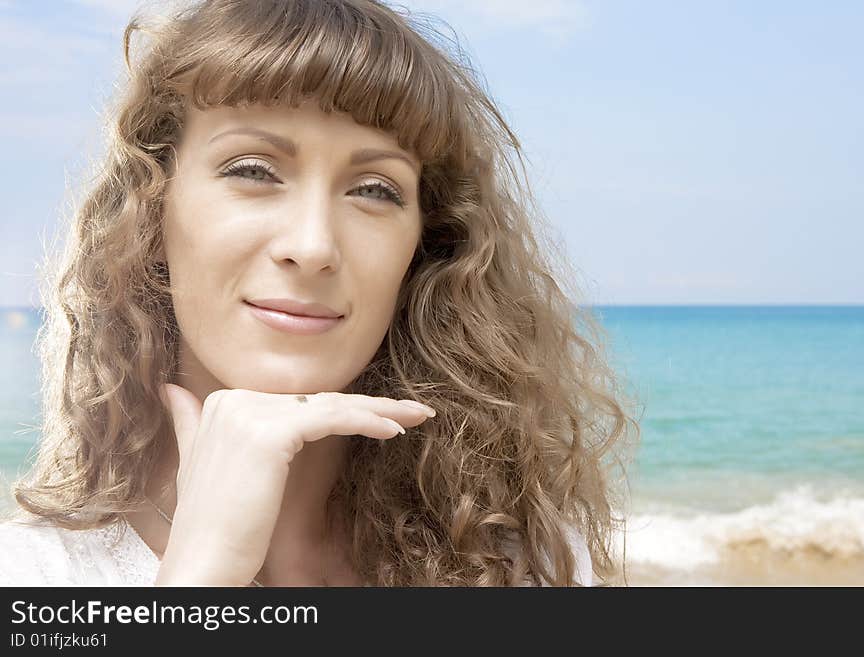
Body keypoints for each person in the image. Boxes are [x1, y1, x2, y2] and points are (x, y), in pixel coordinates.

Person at [0, 0, 638, 587]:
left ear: (427, 247)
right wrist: (200, 579)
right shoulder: (33, 574)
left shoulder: (524, 564)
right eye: (253, 171)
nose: (312, 246)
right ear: (151, 212)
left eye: (373, 190)